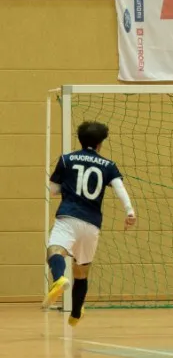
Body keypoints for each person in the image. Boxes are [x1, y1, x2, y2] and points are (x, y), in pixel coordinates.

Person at [44, 121, 136, 325]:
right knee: (82, 271)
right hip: (92, 223)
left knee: (55, 250)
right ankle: (76, 313)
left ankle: (58, 278)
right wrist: (130, 211)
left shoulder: (66, 159)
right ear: (100, 143)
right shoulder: (108, 165)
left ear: (79, 139)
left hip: (68, 216)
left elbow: (53, 190)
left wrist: (67, 187)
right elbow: (119, 188)